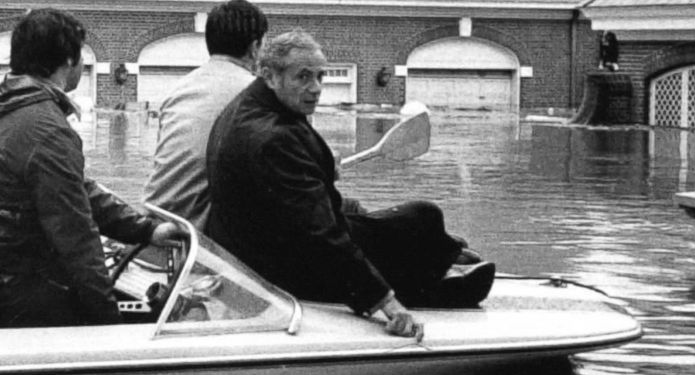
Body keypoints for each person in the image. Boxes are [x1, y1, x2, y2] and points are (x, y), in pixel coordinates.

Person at [207, 28, 494, 341]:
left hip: (260, 247)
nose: (315, 88)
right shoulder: (273, 138)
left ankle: (445, 253)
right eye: (303, 77)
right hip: (286, 266)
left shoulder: (249, 107)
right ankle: (440, 272)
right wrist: (387, 303)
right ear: (269, 75)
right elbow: (319, 234)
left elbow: (301, 201)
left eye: (320, 77)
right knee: (422, 217)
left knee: (408, 221)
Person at [0, 8, 160, 327]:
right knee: (82, 311)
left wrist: (146, 229)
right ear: (69, 61)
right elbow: (75, 233)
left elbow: (75, 189)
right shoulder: (46, 127)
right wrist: (108, 321)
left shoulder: (0, 107)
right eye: (82, 56)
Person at [142, 0, 268, 229]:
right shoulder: (259, 94)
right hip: (197, 233)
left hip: (153, 217)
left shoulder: (177, 90)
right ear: (254, 47)